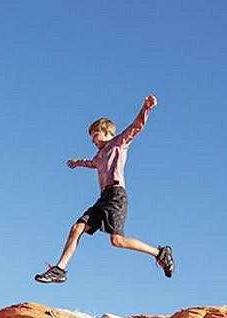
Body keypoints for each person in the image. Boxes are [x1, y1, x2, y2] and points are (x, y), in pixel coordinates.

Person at [34, 95, 175, 283]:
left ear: (107, 132)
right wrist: (77, 163)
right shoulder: (99, 156)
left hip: (116, 196)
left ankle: (160, 253)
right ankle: (59, 270)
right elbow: (91, 163)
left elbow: (136, 127)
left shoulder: (118, 143)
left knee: (117, 241)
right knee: (77, 227)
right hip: (103, 198)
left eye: (95, 135)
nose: (92, 139)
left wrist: (146, 108)